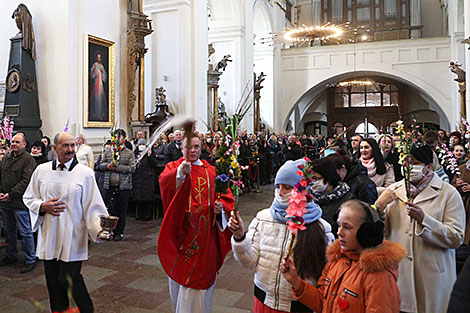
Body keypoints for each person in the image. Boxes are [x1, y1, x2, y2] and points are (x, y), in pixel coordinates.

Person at [228, 159, 334, 312]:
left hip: (298, 306)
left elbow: (325, 274)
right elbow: (248, 261)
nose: (280, 192)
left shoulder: (320, 227)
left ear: (302, 188)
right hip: (264, 301)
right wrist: (239, 237)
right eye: (278, 187)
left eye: (287, 187)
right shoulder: (263, 218)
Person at [23, 132, 109, 313]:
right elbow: (29, 197)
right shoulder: (42, 170)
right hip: (50, 233)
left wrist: (100, 229)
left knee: (68, 276)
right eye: (65, 145)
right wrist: (42, 206)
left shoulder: (85, 173)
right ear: (55, 148)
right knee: (53, 281)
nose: (70, 149)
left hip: (73, 234)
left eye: (72, 145)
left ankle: (87, 309)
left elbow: (92, 206)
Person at [375, 144, 465, 313]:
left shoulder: (448, 193)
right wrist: (379, 208)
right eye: (404, 162)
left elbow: (456, 237)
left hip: (433, 276)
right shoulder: (393, 191)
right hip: (400, 275)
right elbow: (380, 234)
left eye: (413, 162)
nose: (407, 167)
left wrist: (425, 220)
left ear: (428, 166)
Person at [280, 200, 406, 313]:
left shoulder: (379, 275)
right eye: (339, 225)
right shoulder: (337, 260)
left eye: (347, 227)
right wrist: (296, 281)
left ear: (367, 232)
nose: (339, 232)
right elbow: (321, 303)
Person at [157, 135, 234, 313]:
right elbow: (164, 184)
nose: (192, 151)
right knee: (179, 282)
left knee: (199, 283)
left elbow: (226, 200)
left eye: (196, 147)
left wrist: (221, 209)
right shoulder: (174, 167)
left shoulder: (212, 171)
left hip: (205, 239)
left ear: (202, 149)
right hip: (181, 236)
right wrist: (180, 175)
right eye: (188, 147)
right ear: (181, 149)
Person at [0, 133, 37, 273]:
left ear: (24, 144)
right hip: (6, 201)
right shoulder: (7, 158)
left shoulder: (28, 160)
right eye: (12, 141)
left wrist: (11, 194)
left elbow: (26, 180)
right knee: (9, 231)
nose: (14, 144)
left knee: (25, 231)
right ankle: (11, 255)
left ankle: (30, 259)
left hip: (20, 202)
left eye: (17, 142)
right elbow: (1, 175)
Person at [99, 129, 135, 241]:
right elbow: (100, 165)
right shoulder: (108, 151)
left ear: (124, 138)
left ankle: (120, 232)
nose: (117, 139)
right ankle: (110, 230)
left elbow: (132, 168)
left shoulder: (129, 153)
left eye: (119, 137)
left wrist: (117, 168)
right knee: (110, 209)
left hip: (123, 186)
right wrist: (107, 166)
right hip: (109, 185)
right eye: (115, 137)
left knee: (121, 210)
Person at [132, 138, 158, 221]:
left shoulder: (150, 152)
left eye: (143, 145)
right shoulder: (135, 153)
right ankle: (139, 214)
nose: (141, 146)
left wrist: (150, 156)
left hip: (148, 179)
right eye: (140, 145)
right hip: (138, 178)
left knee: (147, 198)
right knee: (139, 198)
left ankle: (147, 215)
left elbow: (154, 163)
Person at [89, 51, 107, 122]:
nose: (99, 59)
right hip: (96, 84)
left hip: (100, 85)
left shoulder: (101, 66)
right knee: (96, 98)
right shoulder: (95, 65)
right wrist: (95, 71)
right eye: (98, 57)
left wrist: (102, 73)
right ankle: (95, 114)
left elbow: (104, 75)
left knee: (100, 98)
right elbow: (92, 74)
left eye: (100, 57)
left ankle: (100, 114)